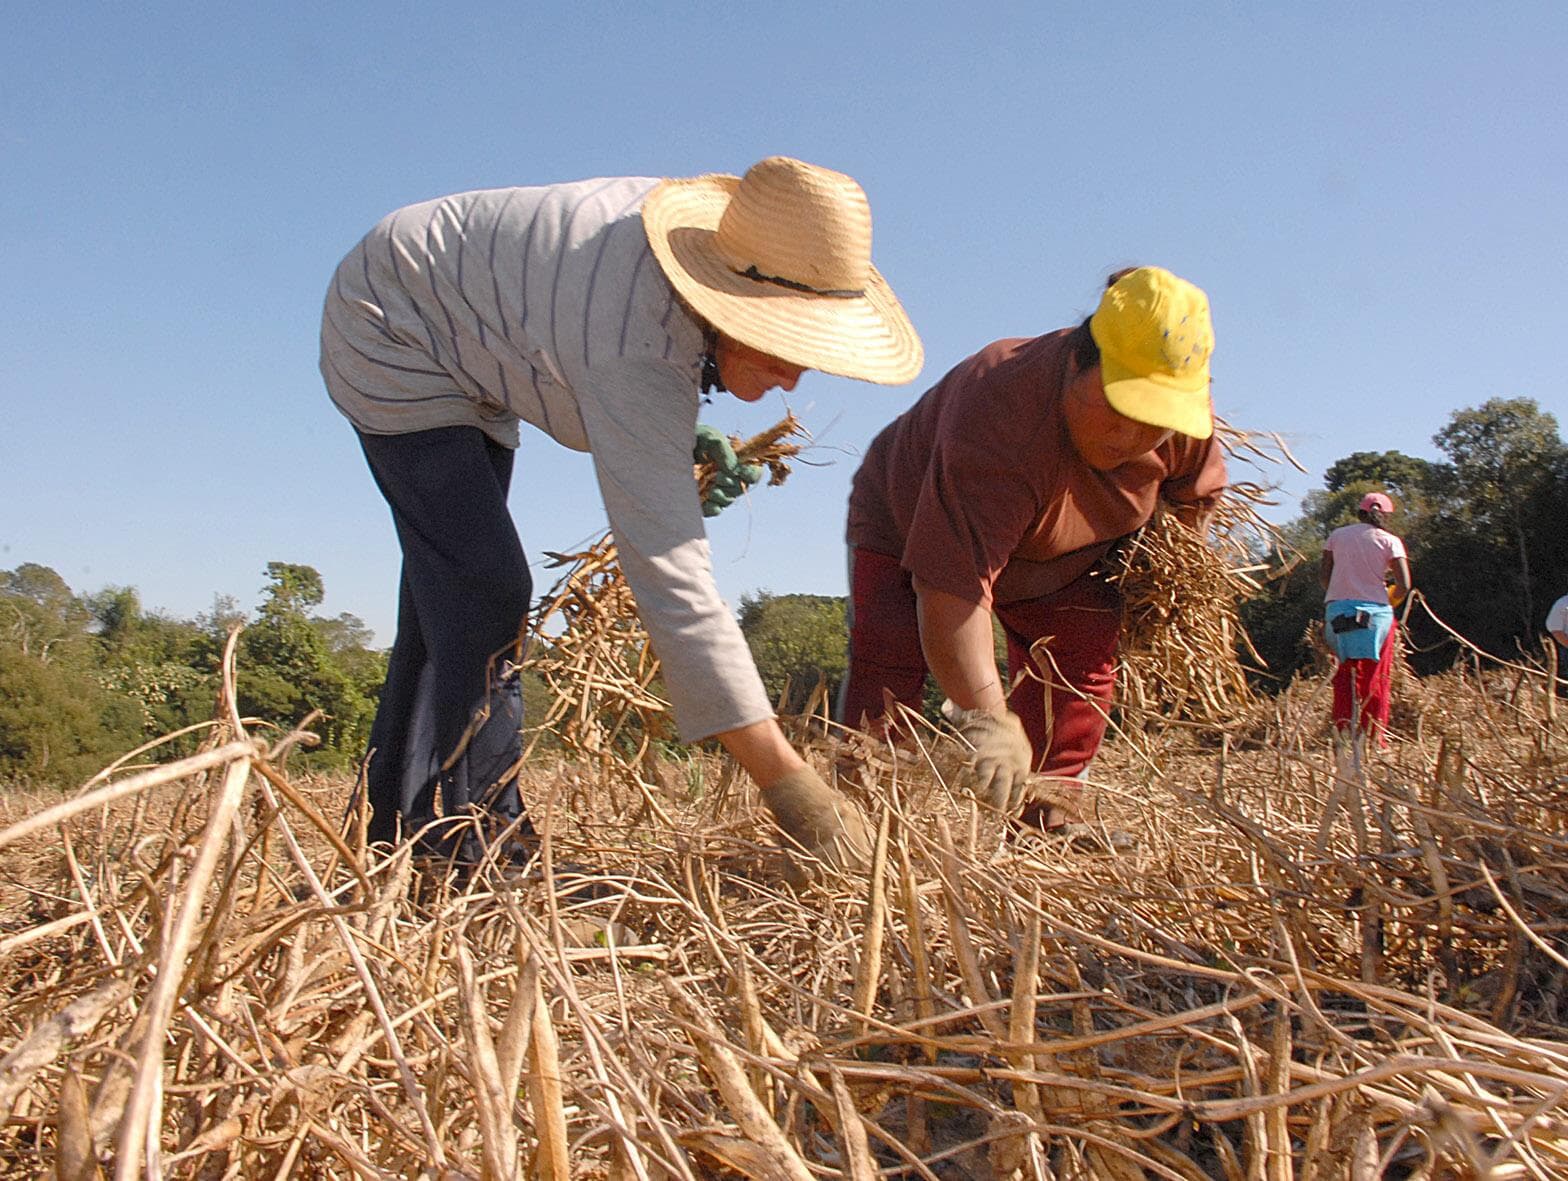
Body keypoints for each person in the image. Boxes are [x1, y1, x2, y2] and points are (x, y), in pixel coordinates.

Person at [319, 156, 922, 870]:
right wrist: (793, 789)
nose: (797, 374)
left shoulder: (697, 270)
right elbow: (672, 577)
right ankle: (486, 853)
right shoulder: (632, 332)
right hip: (393, 324)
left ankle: (399, 837)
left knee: (446, 602)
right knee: (483, 590)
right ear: (728, 299)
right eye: (788, 342)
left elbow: (603, 365)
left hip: (466, 327)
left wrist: (674, 432)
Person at [838, 267, 1228, 829]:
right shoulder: (1001, 408)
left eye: (1156, 423)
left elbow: (1192, 503)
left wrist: (1156, 582)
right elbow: (952, 592)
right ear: (1077, 360)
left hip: (1068, 555)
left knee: (1078, 670)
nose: (1132, 438)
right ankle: (856, 818)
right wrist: (988, 721)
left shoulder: (1188, 424)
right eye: (1119, 407)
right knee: (888, 661)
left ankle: (1049, 816)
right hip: (906, 525)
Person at [1320, 491, 1412, 748]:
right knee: (1377, 677)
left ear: (1360, 512)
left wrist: (1341, 594)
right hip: (1376, 616)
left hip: (1338, 612)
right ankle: (1373, 738)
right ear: (1386, 515)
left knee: (1343, 676)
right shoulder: (1390, 541)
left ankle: (1342, 735)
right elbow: (1404, 584)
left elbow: (1324, 578)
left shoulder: (1336, 536)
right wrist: (1390, 598)